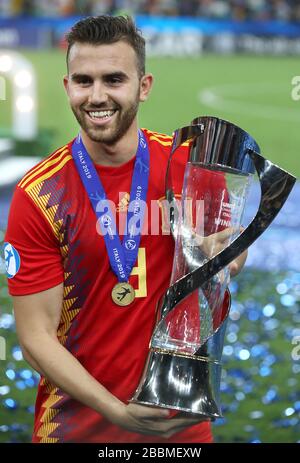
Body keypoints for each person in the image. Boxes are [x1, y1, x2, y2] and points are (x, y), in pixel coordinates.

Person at [4, 15, 247, 443]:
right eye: (83, 81)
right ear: (67, 87)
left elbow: (232, 255)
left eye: (114, 79)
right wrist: (118, 413)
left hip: (178, 424)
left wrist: (220, 258)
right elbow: (35, 338)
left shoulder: (190, 165)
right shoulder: (40, 194)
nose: (97, 96)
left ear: (144, 85)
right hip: (74, 427)